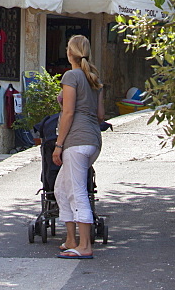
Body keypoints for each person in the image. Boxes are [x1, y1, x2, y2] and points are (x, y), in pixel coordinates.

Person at [52, 34, 106, 260]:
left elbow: (69, 113)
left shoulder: (71, 75)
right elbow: (101, 115)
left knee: (77, 192)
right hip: (93, 140)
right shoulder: (93, 77)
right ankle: (71, 239)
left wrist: (58, 144)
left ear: (69, 53)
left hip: (76, 141)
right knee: (60, 188)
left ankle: (84, 245)